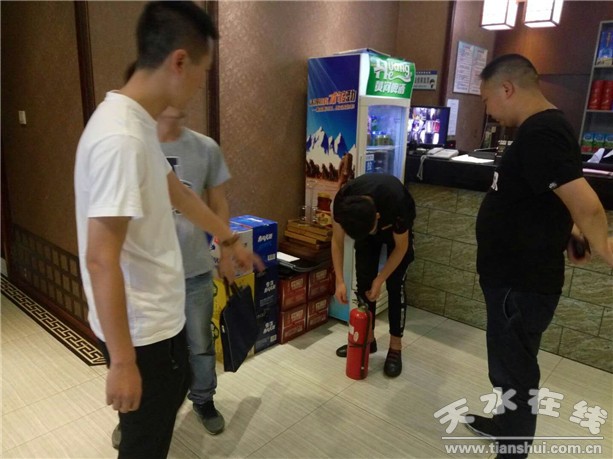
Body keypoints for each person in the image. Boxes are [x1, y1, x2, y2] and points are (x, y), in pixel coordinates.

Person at [74, 2, 259, 458]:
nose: (199, 85)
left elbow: (180, 195)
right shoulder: (121, 138)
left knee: (165, 409)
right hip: (143, 334)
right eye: (202, 71)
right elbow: (100, 258)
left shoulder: (135, 124)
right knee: (145, 444)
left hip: (158, 321)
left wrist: (228, 239)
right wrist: (122, 362)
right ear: (179, 61)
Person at [467, 54, 613, 458]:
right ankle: (505, 427)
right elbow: (553, 197)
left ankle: (512, 451)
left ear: (507, 88)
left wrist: (603, 247)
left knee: (514, 375)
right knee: (510, 368)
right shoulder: (545, 128)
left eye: (487, 99)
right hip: (514, 278)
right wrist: (572, 232)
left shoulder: (541, 133)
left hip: (520, 284)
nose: (489, 110)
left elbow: (588, 205)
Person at [158, 105, 232, 434]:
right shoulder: (135, 144)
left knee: (200, 342)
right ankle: (137, 415)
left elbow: (219, 203)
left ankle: (203, 399)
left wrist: (226, 251)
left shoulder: (205, 147)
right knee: (149, 350)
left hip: (195, 269)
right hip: (149, 276)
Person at [331, 173, 416, 377]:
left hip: (396, 233)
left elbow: (401, 248)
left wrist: (381, 279)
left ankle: (395, 347)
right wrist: (339, 281)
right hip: (365, 226)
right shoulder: (343, 201)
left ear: (377, 217)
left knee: (395, 286)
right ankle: (368, 340)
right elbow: (337, 241)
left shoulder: (398, 204)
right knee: (364, 284)